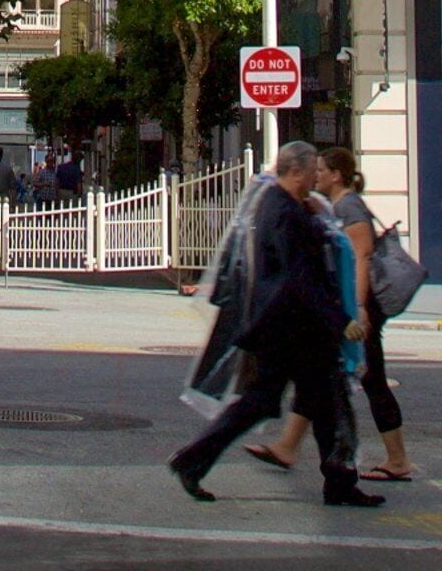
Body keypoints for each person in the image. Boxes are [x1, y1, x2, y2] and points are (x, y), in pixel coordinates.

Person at [167, 142, 382, 509]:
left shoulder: (282, 203)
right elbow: (299, 277)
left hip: (290, 327)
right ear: (295, 172)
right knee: (292, 402)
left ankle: (339, 482)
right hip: (291, 329)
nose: (316, 178)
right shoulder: (284, 212)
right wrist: (340, 320)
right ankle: (192, 460)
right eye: (312, 171)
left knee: (314, 403)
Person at [250, 146, 415, 481]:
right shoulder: (335, 205)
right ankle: (287, 446)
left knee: (371, 379)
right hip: (348, 308)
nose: (317, 175)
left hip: (362, 309)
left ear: (337, 176)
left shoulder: (348, 206)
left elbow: (361, 257)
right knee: (319, 373)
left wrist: (359, 310)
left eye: (322, 170)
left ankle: (397, 460)